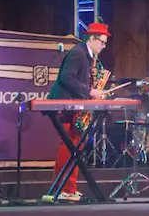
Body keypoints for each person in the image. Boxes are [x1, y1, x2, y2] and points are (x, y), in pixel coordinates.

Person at [49, 22, 111, 203]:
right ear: (91, 38)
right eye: (102, 42)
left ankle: (68, 188)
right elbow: (66, 77)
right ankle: (64, 189)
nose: (104, 46)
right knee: (70, 146)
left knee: (74, 146)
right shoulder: (78, 53)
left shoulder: (86, 54)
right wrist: (90, 91)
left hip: (74, 105)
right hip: (67, 105)